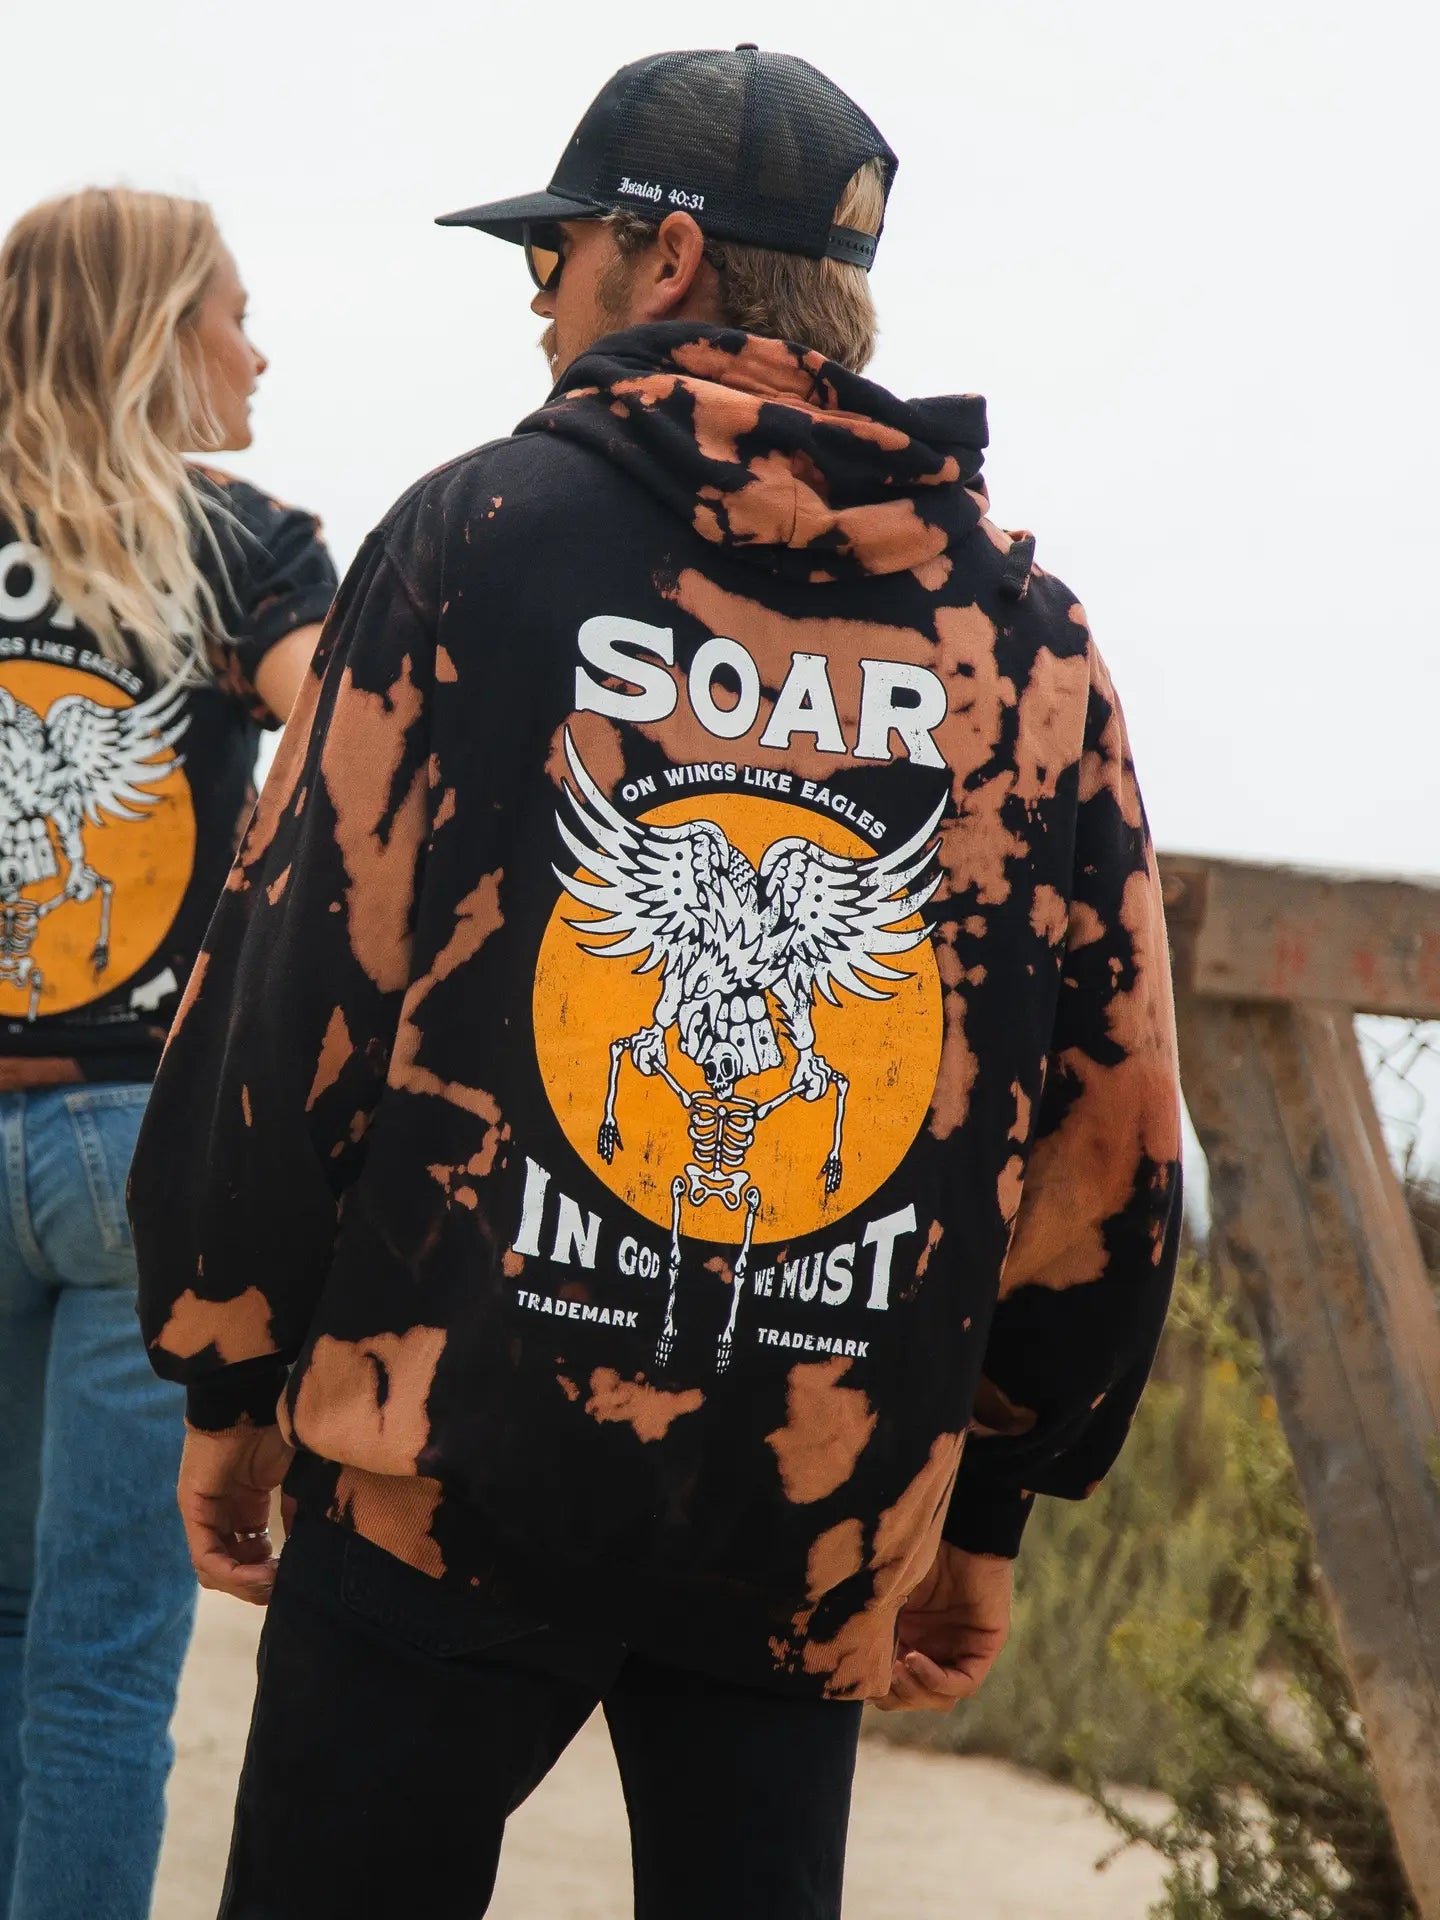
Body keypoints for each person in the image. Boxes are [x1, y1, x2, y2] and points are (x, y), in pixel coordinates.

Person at [131, 47, 1182, 1920]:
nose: (538, 303)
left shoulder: (478, 542)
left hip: (448, 1459)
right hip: (810, 1493)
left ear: (666, 256)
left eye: (555, 257)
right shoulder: (1020, 642)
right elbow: (1110, 1128)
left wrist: (227, 1359)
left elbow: (300, 982)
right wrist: (995, 1490)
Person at [0, 188, 336, 1920]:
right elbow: (360, 766)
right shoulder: (245, 547)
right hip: (139, 1139)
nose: (256, 354)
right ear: (153, 337)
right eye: (233, 316)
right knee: (103, 1666)